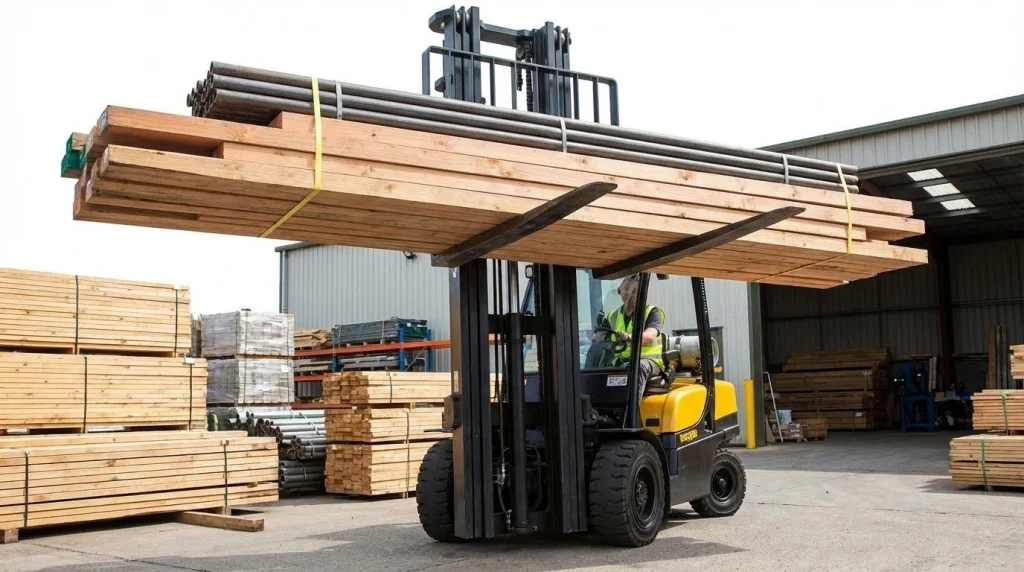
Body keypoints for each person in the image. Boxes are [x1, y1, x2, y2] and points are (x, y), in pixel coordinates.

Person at [593, 275, 666, 396]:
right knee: (600, 368)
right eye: (626, 291)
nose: (629, 295)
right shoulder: (613, 315)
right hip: (622, 361)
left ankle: (632, 411)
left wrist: (629, 337)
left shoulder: (652, 312)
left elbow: (650, 335)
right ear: (620, 292)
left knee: (638, 367)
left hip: (649, 361)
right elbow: (598, 336)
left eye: (634, 291)